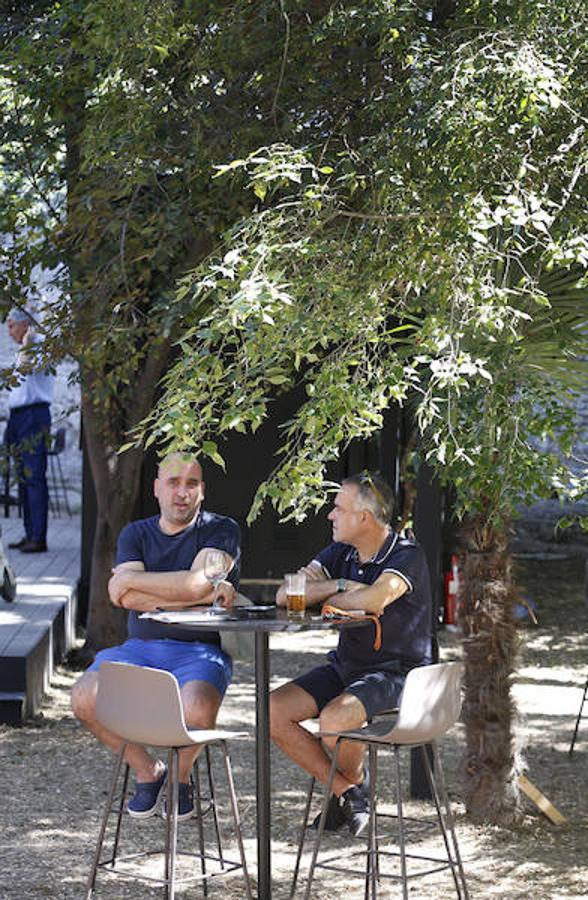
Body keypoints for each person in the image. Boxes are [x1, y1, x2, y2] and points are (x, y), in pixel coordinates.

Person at [70, 454, 241, 819]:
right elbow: (121, 597)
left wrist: (138, 582)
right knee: (84, 697)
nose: (182, 493)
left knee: (197, 706)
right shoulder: (136, 533)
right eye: (173, 482)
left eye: (191, 484)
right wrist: (192, 594)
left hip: (199, 651)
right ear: (157, 488)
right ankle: (149, 771)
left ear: (202, 491)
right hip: (139, 649)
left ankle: (180, 780)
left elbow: (191, 583)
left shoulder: (221, 529)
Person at [269, 471, 433, 838]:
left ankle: (351, 787)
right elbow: (286, 593)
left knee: (334, 721)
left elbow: (375, 599)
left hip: (398, 674)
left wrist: (327, 597)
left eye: (338, 509)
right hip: (347, 668)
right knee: (272, 711)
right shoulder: (340, 553)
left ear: (364, 518)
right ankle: (349, 791)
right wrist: (341, 586)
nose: (330, 515)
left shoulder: (406, 554)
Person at [5, 308, 55, 553]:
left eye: (12, 325)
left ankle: (39, 536)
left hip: (33, 416)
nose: (8, 330)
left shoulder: (36, 344)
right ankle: (29, 533)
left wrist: (28, 338)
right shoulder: (25, 346)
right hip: (18, 417)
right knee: (23, 478)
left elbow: (26, 368)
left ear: (25, 325)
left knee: (34, 476)